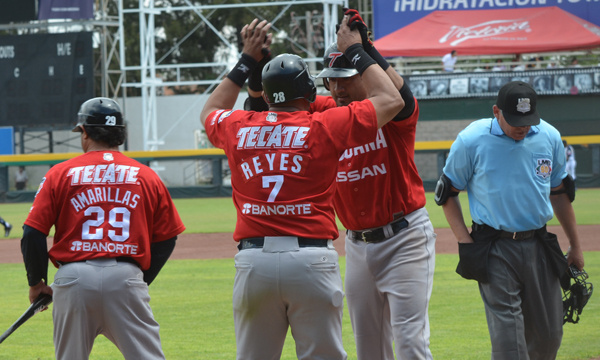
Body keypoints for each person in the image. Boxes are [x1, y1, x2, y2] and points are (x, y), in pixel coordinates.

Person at [199, 15, 403, 360]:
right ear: (309, 93)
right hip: (311, 260)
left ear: (264, 95)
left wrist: (247, 59)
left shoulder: (239, 126)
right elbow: (391, 100)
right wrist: (356, 50)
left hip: (253, 262)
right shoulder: (324, 125)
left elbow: (210, 109)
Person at [245, 9, 436, 360]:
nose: (336, 87)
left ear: (368, 76)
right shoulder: (327, 111)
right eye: (331, 80)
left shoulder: (391, 116)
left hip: (404, 237)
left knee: (410, 343)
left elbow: (402, 99)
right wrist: (259, 65)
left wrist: (364, 51)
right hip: (358, 246)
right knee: (368, 348)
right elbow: (269, 104)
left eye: (346, 78)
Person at [21, 97, 186, 360]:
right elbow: (167, 237)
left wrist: (37, 283)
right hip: (126, 277)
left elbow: (32, 233)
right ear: (121, 134)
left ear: (85, 132)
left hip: (73, 279)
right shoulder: (146, 175)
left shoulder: (60, 173)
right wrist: (138, 279)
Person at [436, 81, 584, 359]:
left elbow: (560, 192)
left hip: (539, 244)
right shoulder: (471, 140)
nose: (523, 127)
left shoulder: (549, 136)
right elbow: (447, 193)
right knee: (509, 342)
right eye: (516, 120)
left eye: (528, 120)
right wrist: (465, 242)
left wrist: (575, 245)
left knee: (550, 336)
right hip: (494, 247)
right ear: (496, 111)